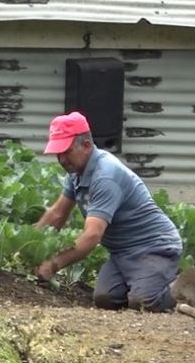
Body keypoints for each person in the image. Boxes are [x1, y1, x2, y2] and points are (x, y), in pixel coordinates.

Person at [33, 111, 182, 311]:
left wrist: (53, 265)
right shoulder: (77, 172)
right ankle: (146, 281)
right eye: (58, 153)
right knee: (105, 298)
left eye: (66, 151)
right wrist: (28, 246)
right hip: (122, 252)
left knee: (144, 302)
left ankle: (186, 287)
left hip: (154, 247)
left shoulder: (105, 176)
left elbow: (92, 235)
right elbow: (58, 213)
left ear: (86, 146)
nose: (61, 159)